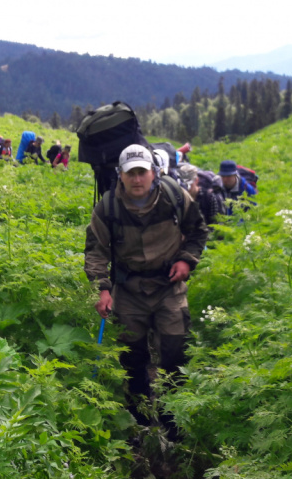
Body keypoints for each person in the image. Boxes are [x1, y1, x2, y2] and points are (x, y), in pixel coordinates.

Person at [85, 144, 209, 440]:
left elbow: (198, 231)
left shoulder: (175, 197)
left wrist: (186, 260)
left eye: (142, 172)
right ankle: (139, 419)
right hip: (128, 289)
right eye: (131, 173)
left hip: (169, 285)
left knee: (175, 350)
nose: (137, 179)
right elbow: (95, 252)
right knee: (132, 357)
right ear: (121, 176)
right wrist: (102, 289)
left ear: (153, 173)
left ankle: (172, 420)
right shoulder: (108, 208)